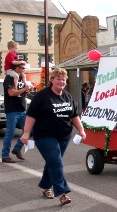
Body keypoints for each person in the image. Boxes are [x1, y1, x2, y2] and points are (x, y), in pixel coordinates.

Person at [20, 67, 86, 205]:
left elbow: (74, 115)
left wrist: (81, 130)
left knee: (53, 162)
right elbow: (31, 116)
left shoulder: (67, 96)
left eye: (63, 79)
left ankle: (45, 187)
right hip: (45, 136)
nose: (61, 81)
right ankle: (62, 193)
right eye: (58, 78)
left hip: (64, 136)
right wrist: (26, 133)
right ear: (52, 80)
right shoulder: (42, 96)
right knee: (56, 162)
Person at [1, 63, 32, 163]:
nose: (24, 70)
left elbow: (24, 91)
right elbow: (11, 93)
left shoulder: (22, 78)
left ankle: (17, 149)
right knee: (10, 133)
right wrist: (24, 89)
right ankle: (5, 155)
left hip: (22, 109)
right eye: (22, 68)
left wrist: (28, 88)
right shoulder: (9, 78)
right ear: (17, 68)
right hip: (12, 110)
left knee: (28, 130)